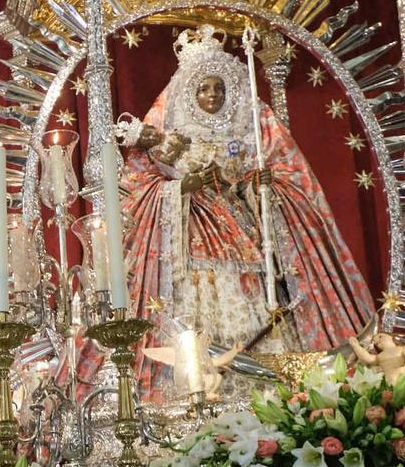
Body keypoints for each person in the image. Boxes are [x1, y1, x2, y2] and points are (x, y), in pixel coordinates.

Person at [110, 24, 374, 400]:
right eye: (204, 88)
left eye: (218, 87)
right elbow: (135, 190)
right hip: (188, 238)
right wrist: (181, 188)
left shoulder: (250, 123)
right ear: (189, 90)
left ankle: (264, 399)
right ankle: (194, 396)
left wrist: (255, 184)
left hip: (242, 233)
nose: (212, 94)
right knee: (196, 312)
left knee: (258, 304)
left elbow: (279, 173)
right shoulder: (165, 126)